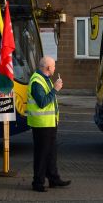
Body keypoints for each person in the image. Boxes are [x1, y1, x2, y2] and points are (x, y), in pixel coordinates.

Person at [27, 56, 71, 192]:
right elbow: (43, 102)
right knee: (42, 154)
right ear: (48, 68)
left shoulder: (45, 79)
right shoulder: (37, 81)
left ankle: (54, 178)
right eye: (53, 67)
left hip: (49, 123)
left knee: (51, 153)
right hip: (41, 124)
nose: (54, 69)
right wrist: (55, 89)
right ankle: (38, 182)